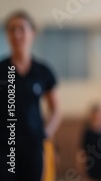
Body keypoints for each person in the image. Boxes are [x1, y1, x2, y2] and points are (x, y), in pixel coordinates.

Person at [0, 10, 61, 181]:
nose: (17, 34)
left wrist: (44, 135)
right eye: (12, 29)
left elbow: (56, 110)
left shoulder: (43, 71)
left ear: (32, 32)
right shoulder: (2, 69)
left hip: (33, 146)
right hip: (5, 147)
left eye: (21, 28)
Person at [77, 103, 101, 181]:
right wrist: (82, 173)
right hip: (91, 173)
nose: (97, 116)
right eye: (95, 114)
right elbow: (82, 153)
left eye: (99, 114)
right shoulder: (88, 132)